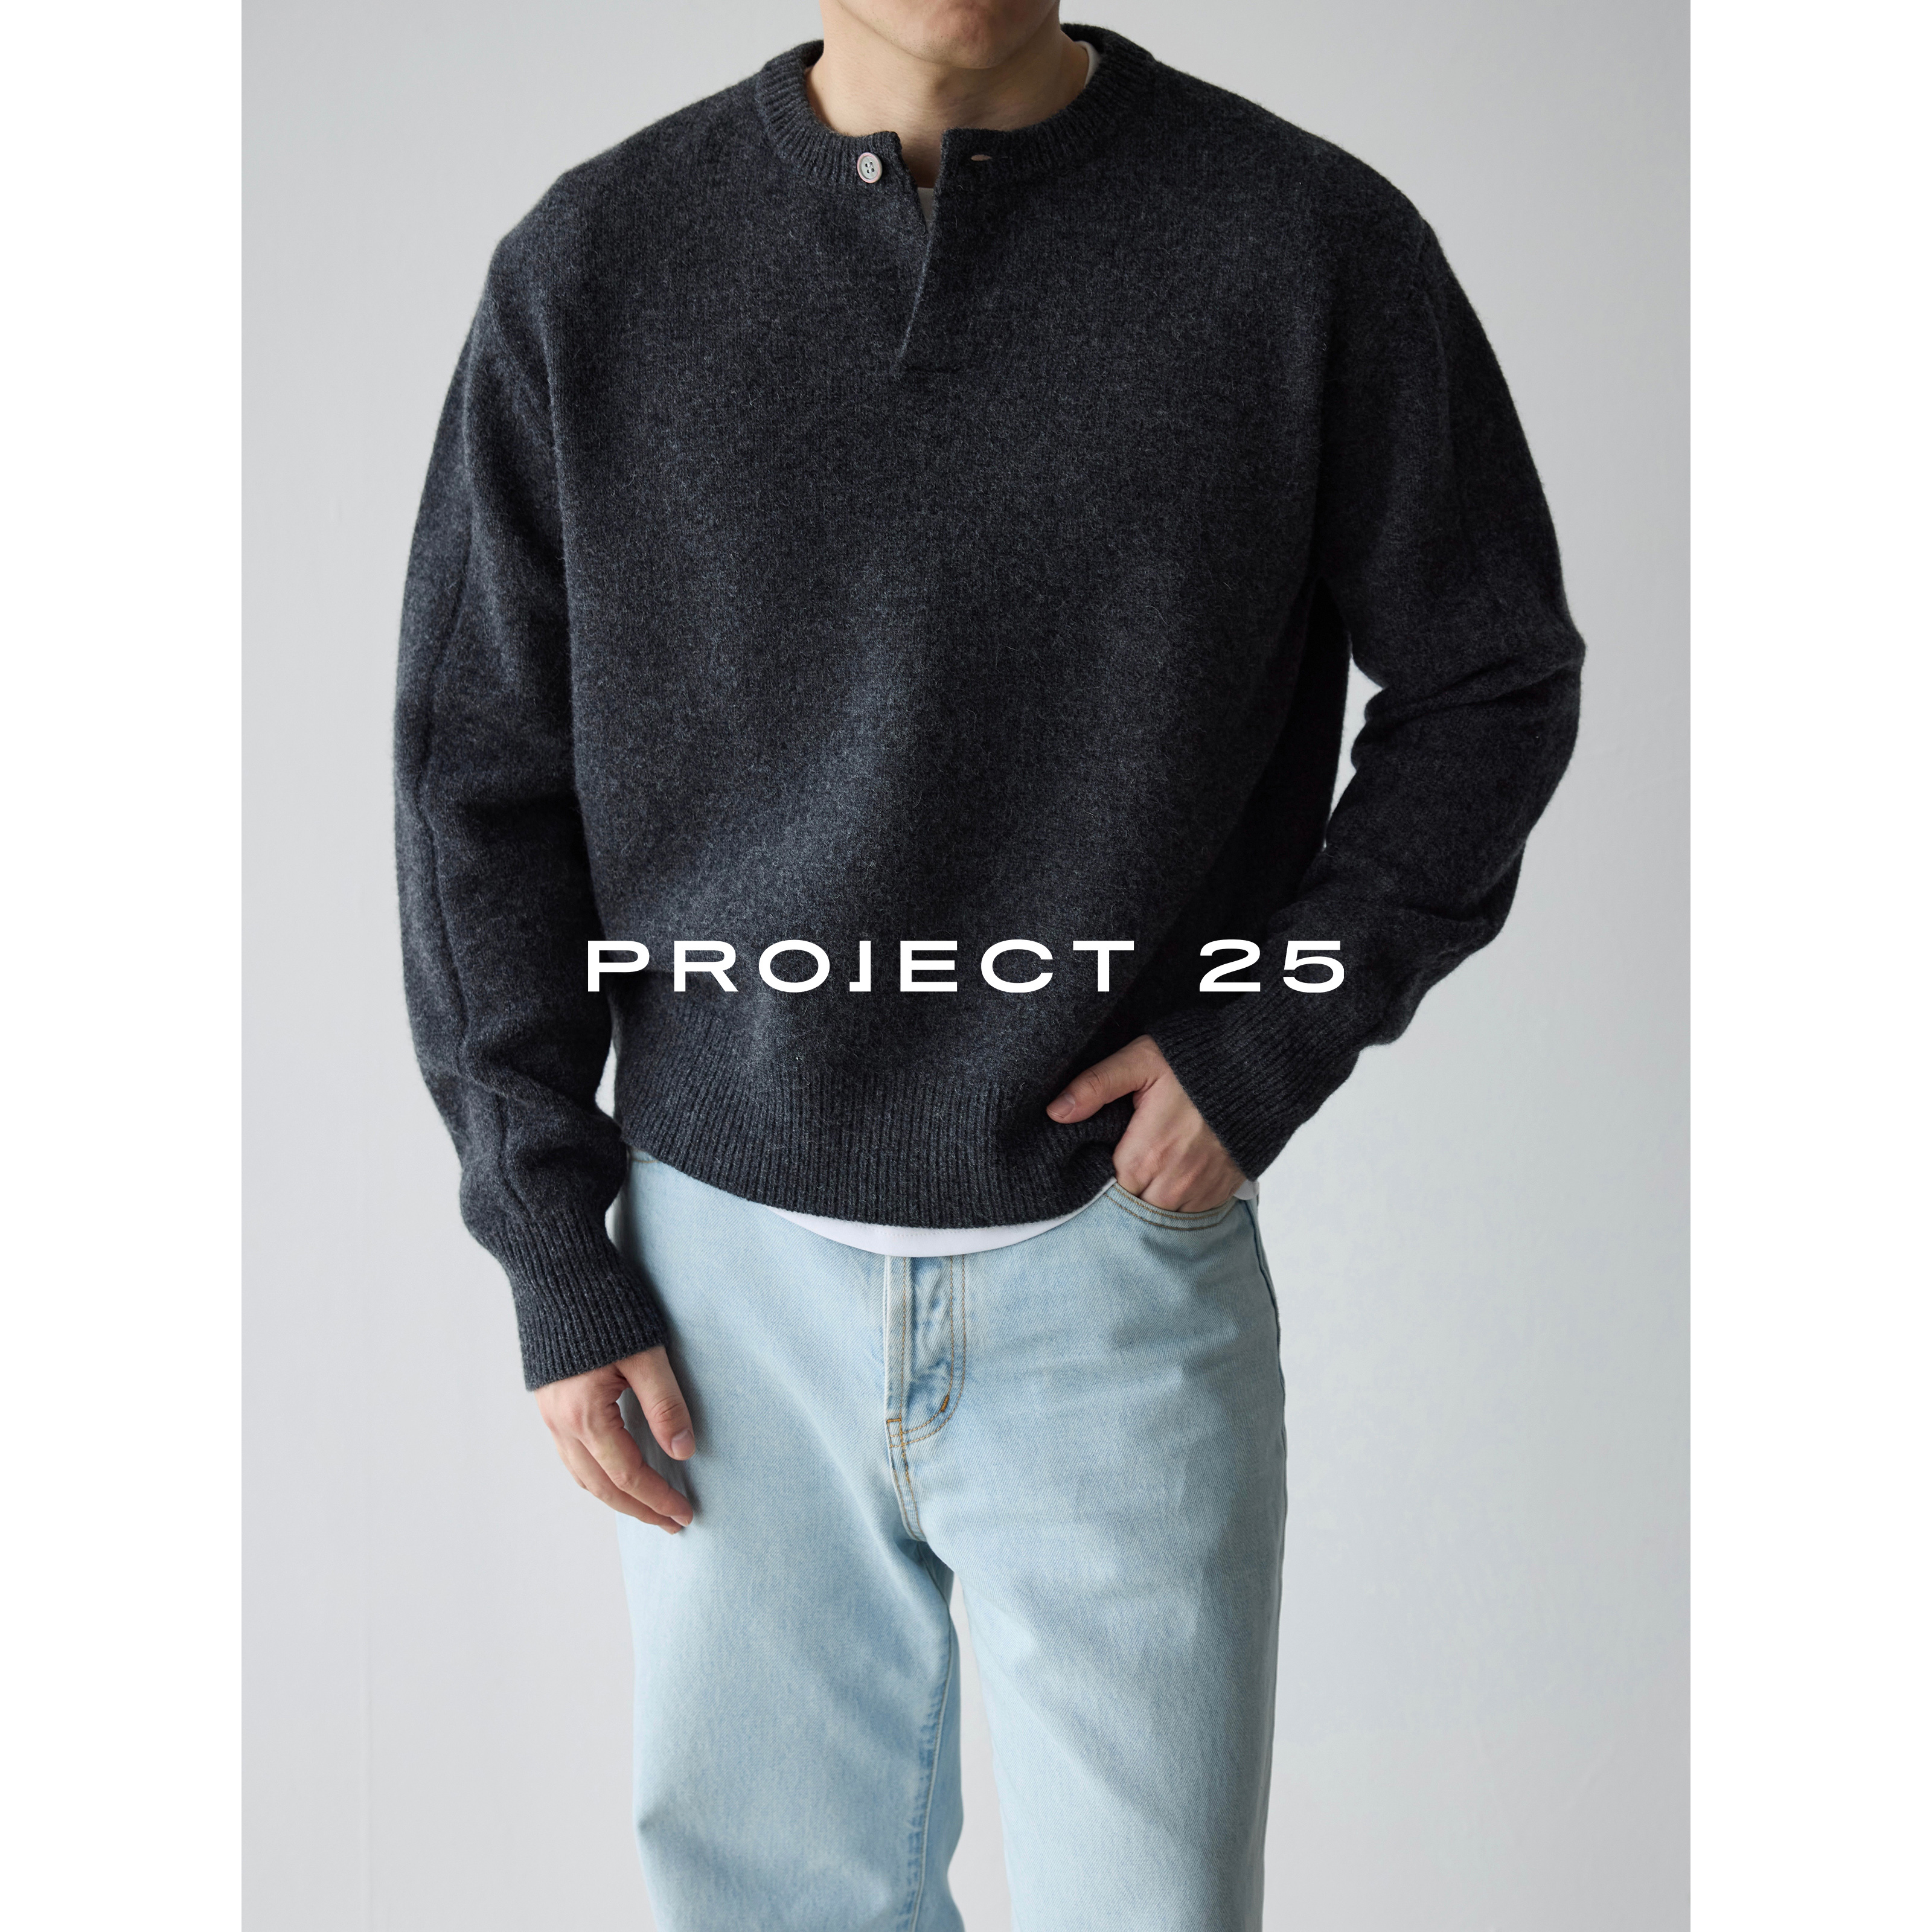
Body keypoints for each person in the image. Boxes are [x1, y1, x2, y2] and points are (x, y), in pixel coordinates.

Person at [393, 4, 1584, 1926]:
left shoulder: (1305, 246)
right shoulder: (597, 268)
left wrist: (1263, 1039)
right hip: (720, 1287)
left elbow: (1491, 679)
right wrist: (548, 1231)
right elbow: (478, 779)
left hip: (1112, 1265)